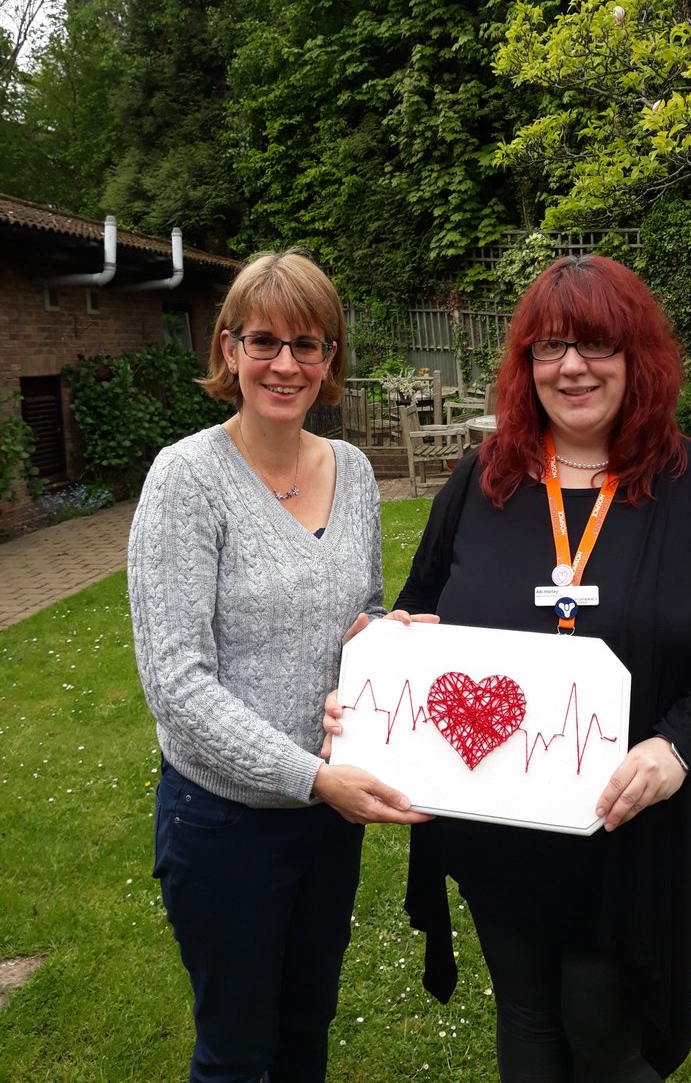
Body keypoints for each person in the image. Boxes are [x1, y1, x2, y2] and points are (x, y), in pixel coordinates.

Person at [389, 255, 691, 1080]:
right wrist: (388, 667)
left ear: (635, 357)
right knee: (529, 1020)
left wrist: (679, 746)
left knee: (606, 1034)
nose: (571, 366)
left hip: (635, 824)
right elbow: (418, 606)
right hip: (503, 825)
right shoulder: (482, 479)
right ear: (525, 365)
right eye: (550, 346)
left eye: (596, 344)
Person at [127, 249, 429, 1083]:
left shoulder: (355, 471)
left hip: (326, 818)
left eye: (309, 344)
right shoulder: (187, 480)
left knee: (306, 1031)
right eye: (264, 341)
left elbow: (354, 615)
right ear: (228, 348)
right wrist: (310, 776)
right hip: (226, 824)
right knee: (234, 1051)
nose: (286, 364)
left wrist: (389, 635)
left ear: (331, 358)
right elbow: (177, 683)